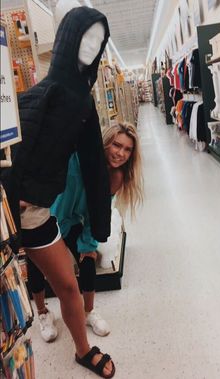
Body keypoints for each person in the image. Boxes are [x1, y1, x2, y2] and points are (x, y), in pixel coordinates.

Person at [2, 6, 116, 379]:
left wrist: (99, 226)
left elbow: (94, 168)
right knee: (56, 283)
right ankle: (72, 342)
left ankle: (79, 346)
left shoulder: (80, 102)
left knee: (64, 281)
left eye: (99, 43)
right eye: (87, 39)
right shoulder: (44, 93)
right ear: (69, 40)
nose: (93, 48)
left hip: (36, 211)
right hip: (17, 209)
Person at [27, 122, 144, 341]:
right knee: (36, 265)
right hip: (46, 216)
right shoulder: (80, 158)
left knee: (88, 258)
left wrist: (87, 243)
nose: (121, 153)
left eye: (127, 149)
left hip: (71, 220)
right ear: (106, 143)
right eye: (117, 145)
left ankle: (89, 312)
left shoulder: (115, 177)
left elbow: (99, 212)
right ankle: (43, 313)